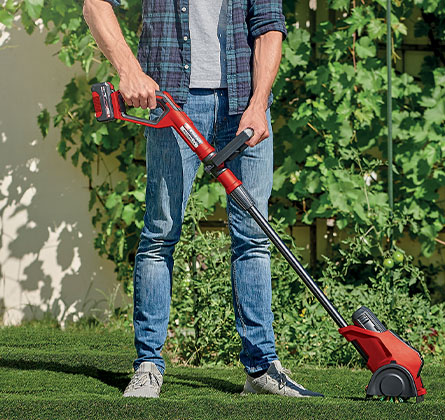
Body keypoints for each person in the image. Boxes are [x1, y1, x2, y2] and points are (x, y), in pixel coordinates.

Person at [82, 0, 322, 398]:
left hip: (245, 106)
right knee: (160, 235)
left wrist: (259, 105)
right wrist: (129, 70)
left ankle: (262, 370)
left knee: (253, 240)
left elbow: (268, 25)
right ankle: (147, 367)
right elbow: (95, 4)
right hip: (173, 100)